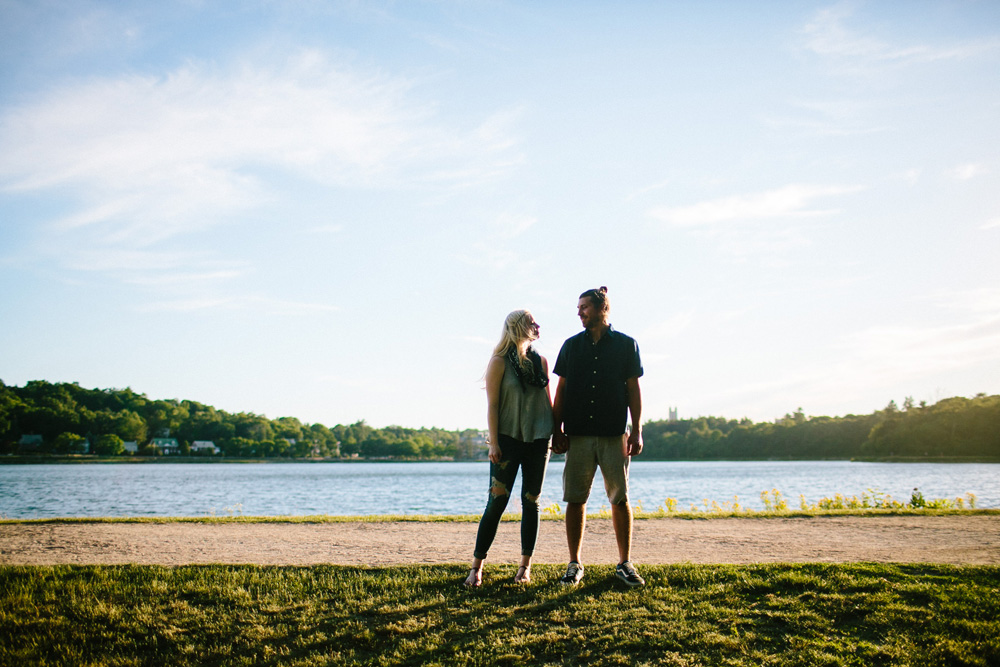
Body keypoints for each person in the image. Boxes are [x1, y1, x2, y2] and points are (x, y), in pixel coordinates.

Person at [551, 286, 645, 587]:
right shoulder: (570, 346)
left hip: (614, 433)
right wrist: (557, 429)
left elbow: (633, 390)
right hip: (577, 435)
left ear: (602, 308)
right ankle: (575, 564)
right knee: (575, 499)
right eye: (578, 308)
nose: (579, 313)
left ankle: (624, 563)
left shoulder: (626, 345)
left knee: (620, 498)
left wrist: (637, 429)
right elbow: (561, 390)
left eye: (584, 307)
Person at [463, 309, 554, 587]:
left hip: (539, 441)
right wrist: (493, 442)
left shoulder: (541, 362)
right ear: (517, 326)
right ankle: (476, 568)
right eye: (531, 322)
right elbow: (492, 406)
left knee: (531, 503)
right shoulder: (499, 362)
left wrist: (558, 433)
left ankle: (525, 567)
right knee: (497, 503)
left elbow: (547, 401)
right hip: (507, 441)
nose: (537, 325)